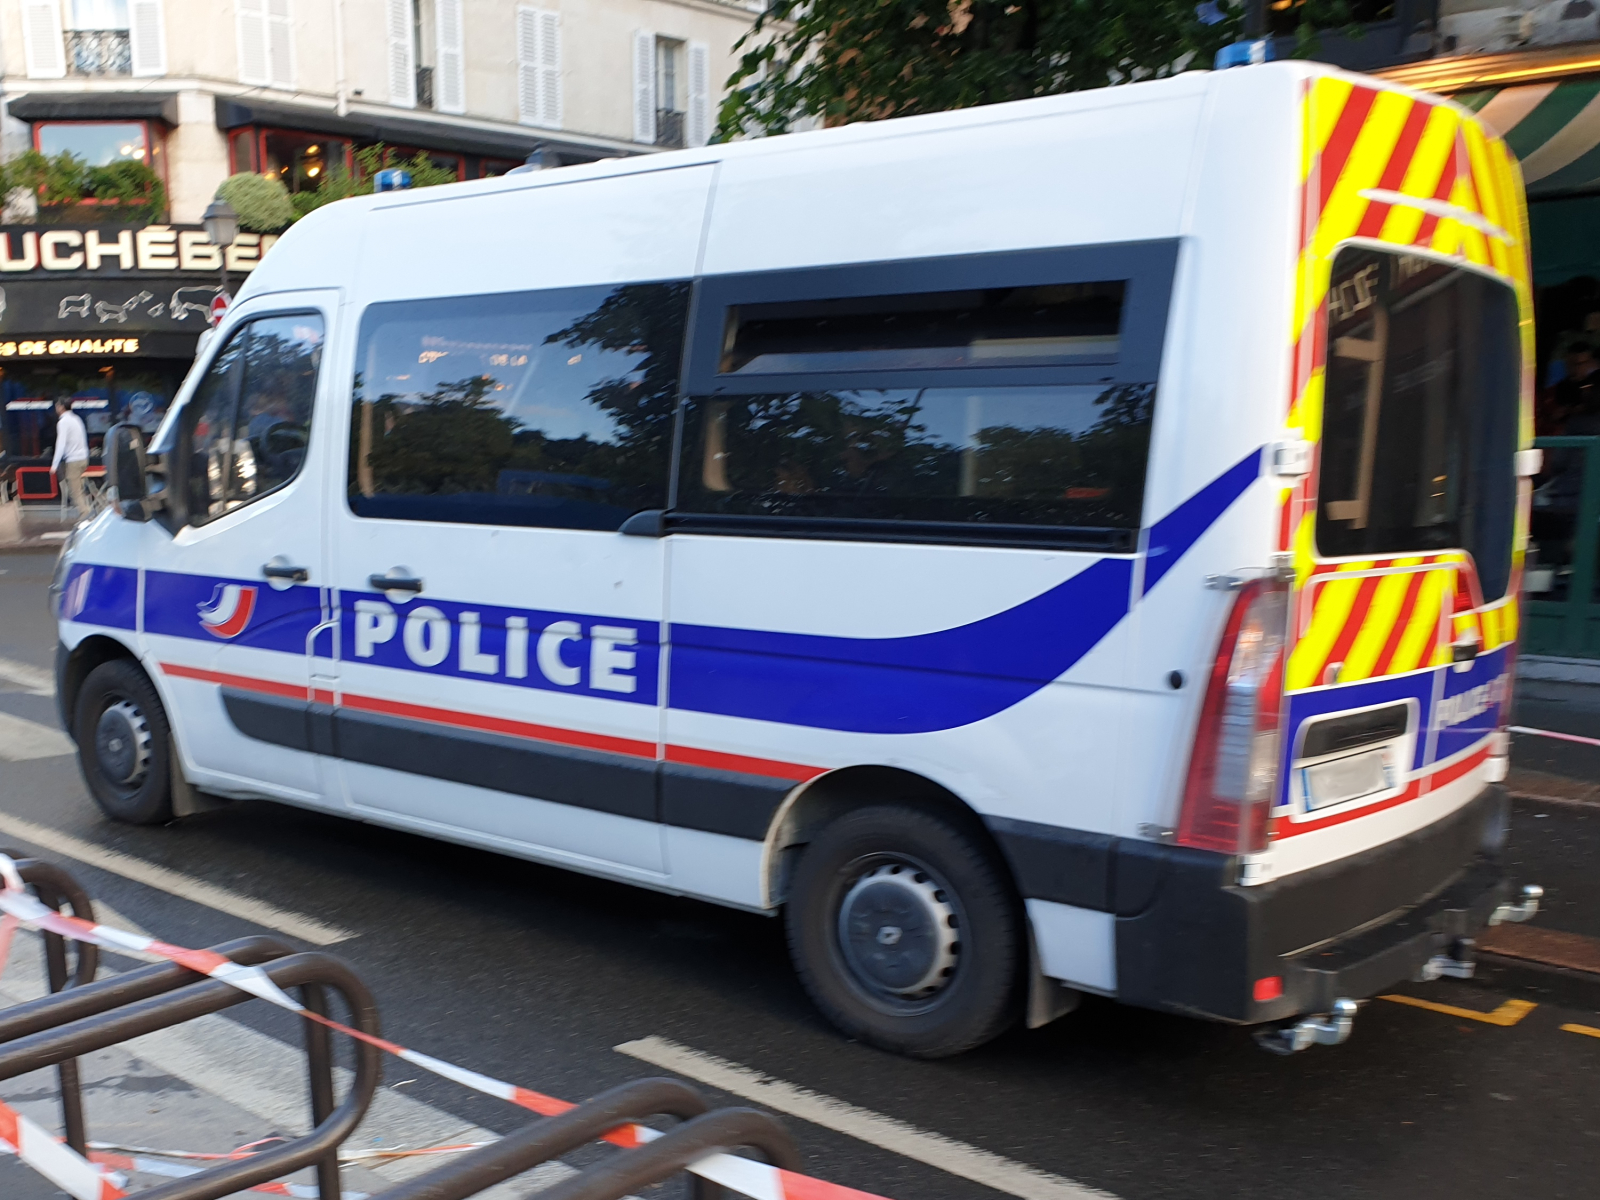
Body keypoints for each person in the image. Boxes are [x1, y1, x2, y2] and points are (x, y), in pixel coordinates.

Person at [50, 398, 90, 515]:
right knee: (81, 490)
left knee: (75, 491)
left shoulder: (63, 422)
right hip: (83, 458)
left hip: (74, 460)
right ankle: (88, 512)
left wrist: (54, 465)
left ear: (62, 407)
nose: (56, 408)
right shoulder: (76, 419)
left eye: (57, 406)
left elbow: (61, 444)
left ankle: (86, 515)